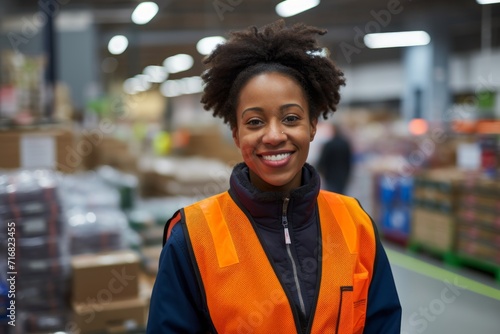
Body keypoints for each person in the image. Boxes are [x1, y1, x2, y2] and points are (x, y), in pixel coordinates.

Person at [147, 20, 401, 333]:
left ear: (312, 126)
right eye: (254, 122)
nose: (274, 135)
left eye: (291, 118)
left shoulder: (355, 223)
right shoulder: (193, 237)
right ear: (236, 134)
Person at [317, 123, 353, 194]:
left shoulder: (329, 144)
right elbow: (348, 159)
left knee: (332, 194)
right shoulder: (345, 143)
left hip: (330, 174)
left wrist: (320, 169)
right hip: (343, 174)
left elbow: (323, 160)